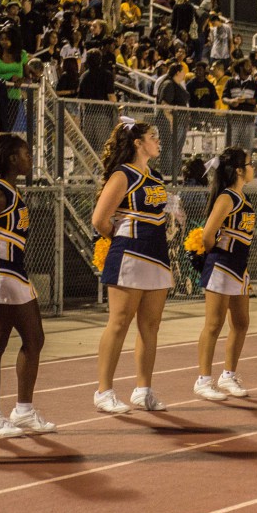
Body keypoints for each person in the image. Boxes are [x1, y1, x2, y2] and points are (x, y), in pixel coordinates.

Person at [0, 134, 55, 438]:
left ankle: (23, 410)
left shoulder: (10, 190)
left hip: (13, 271)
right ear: (12, 159)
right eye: (26, 153)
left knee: (33, 339)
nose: (30, 158)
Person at [92, 118, 172, 414]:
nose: (158, 141)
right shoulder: (123, 175)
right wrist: (122, 237)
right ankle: (103, 391)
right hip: (130, 254)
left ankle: (143, 389)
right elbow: (100, 219)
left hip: (157, 254)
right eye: (153, 136)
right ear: (138, 143)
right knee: (120, 322)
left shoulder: (155, 176)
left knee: (150, 325)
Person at [193, 148, 256, 401]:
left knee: (241, 323)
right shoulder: (227, 197)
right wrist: (210, 257)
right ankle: (203, 380)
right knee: (214, 324)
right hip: (221, 265)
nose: (253, 168)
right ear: (239, 170)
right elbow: (208, 235)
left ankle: (228, 375)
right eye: (250, 164)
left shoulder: (243, 196)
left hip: (239, 268)